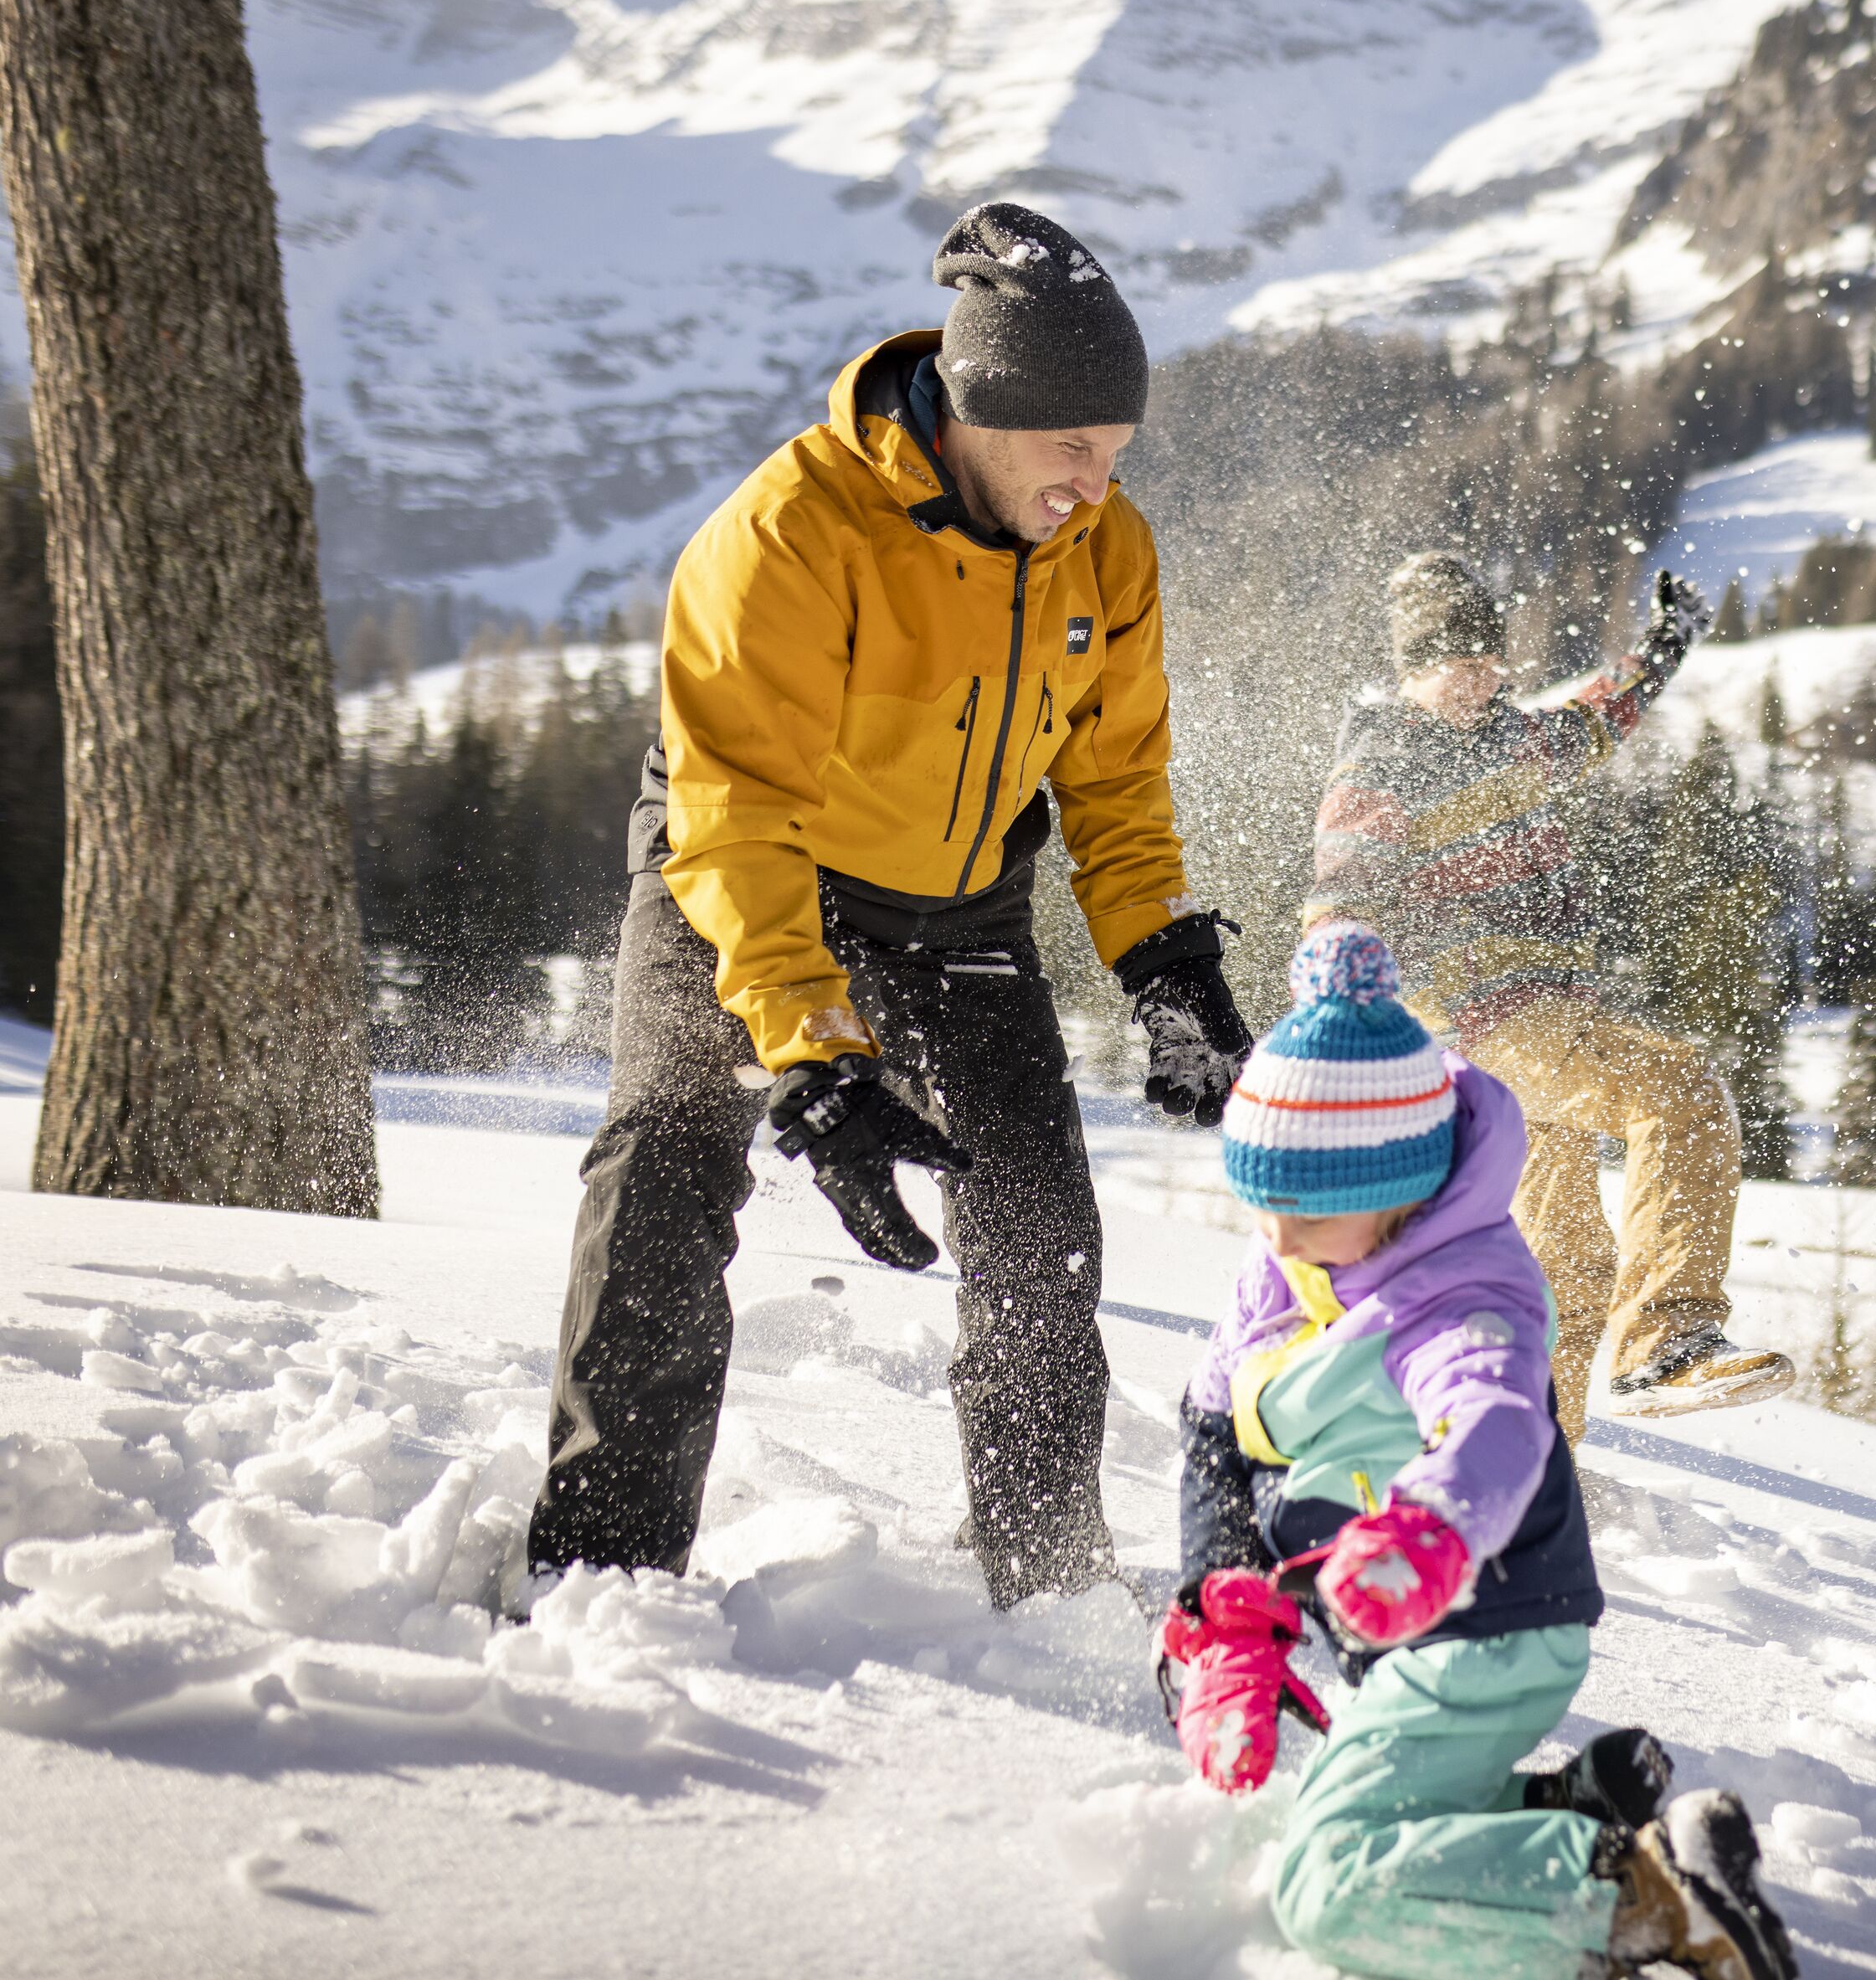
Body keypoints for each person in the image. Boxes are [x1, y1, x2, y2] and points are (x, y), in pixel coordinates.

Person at [522, 201, 1255, 1612]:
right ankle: (595, 1579)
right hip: (739, 877)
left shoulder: (1110, 556)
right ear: (982, 409)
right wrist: (810, 1052)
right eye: (1071, 451)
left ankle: (1044, 1594)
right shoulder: (797, 528)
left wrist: (1163, 964)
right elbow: (734, 814)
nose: (1097, 485)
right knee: (671, 1171)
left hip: (963, 906)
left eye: (1114, 454)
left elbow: (1113, 783)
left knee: (1039, 1229)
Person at [1167, 923, 1798, 1980]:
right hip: (1400, 1636)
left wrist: (1427, 1530)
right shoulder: (1288, 1270)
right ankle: (1572, 1807)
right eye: (1261, 1198)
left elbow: (1497, 1424)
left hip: (1482, 1621)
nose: (1275, 1235)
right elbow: (1213, 1432)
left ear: (1398, 1186)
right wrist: (1228, 1619)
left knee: (1326, 1884)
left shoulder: (1463, 1296)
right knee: (1358, 1814)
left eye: (1306, 1206)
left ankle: (1637, 1892)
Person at [1303, 553, 1793, 1435]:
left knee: (1561, 1262)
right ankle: (1669, 1337)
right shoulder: (1385, 761)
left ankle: (1529, 1459)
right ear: (1414, 665)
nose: (1481, 676)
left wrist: (1664, 647)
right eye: (1459, 659)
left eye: (1491, 658)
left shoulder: (1516, 739)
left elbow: (1603, 715)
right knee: (1678, 1090)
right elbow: (1342, 902)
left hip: (1548, 1018)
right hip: (1482, 1016)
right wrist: (1333, 1031)